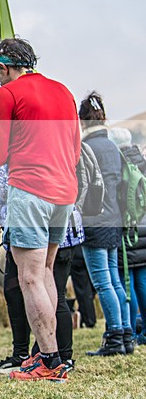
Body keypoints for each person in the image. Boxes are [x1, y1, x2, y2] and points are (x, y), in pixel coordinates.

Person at [0, 38, 80, 381]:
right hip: (65, 191)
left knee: (29, 277)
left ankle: (50, 362)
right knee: (46, 273)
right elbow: (75, 149)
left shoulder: (7, 93)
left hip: (30, 190)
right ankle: (48, 353)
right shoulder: (63, 91)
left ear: (4, 67)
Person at [0, 164, 83, 373]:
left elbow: (5, 188)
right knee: (19, 292)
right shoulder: (61, 143)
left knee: (47, 290)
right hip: (42, 223)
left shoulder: (22, 145)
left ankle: (57, 356)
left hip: (40, 228)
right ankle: (29, 355)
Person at [78, 93, 129, 355]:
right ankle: (127, 333)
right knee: (115, 279)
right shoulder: (113, 147)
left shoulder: (86, 148)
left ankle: (114, 337)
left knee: (102, 281)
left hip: (94, 220)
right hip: (115, 219)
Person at [109, 127, 146, 345]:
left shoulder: (119, 164)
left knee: (126, 281)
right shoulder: (141, 160)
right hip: (144, 227)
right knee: (143, 279)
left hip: (128, 231)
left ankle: (129, 330)